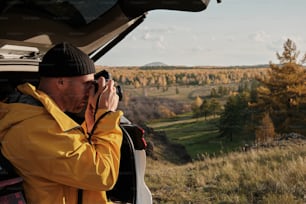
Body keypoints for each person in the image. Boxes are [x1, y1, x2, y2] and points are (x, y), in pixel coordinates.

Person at [0, 42, 123, 204]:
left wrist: (94, 121)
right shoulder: (32, 129)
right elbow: (102, 176)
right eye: (87, 84)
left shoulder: (45, 118)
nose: (90, 92)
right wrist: (107, 117)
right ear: (61, 82)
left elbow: (79, 154)